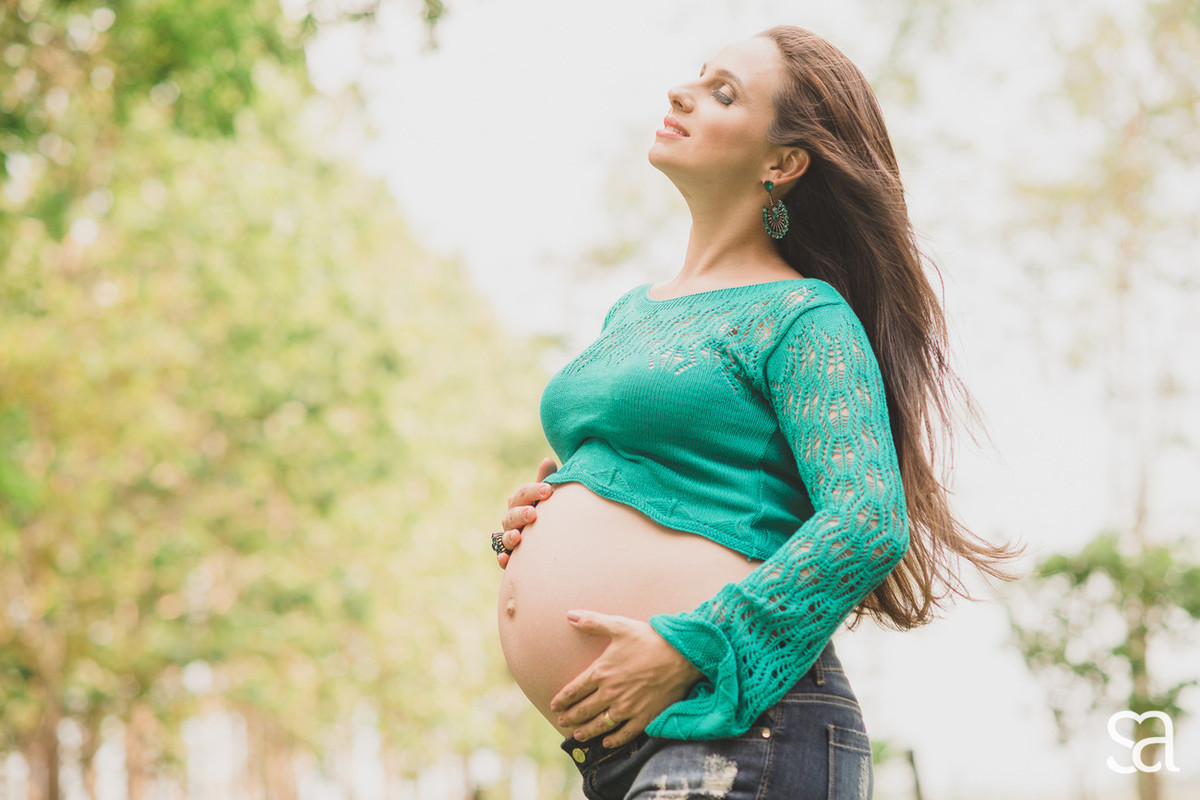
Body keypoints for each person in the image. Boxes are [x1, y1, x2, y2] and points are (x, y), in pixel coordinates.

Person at [491, 25, 1022, 800]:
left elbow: (869, 520)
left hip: (744, 729)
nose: (682, 92)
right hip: (626, 751)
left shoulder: (803, 316)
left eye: (724, 93)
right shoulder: (632, 312)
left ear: (782, 163)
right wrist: (544, 517)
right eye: (697, 78)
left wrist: (693, 646)